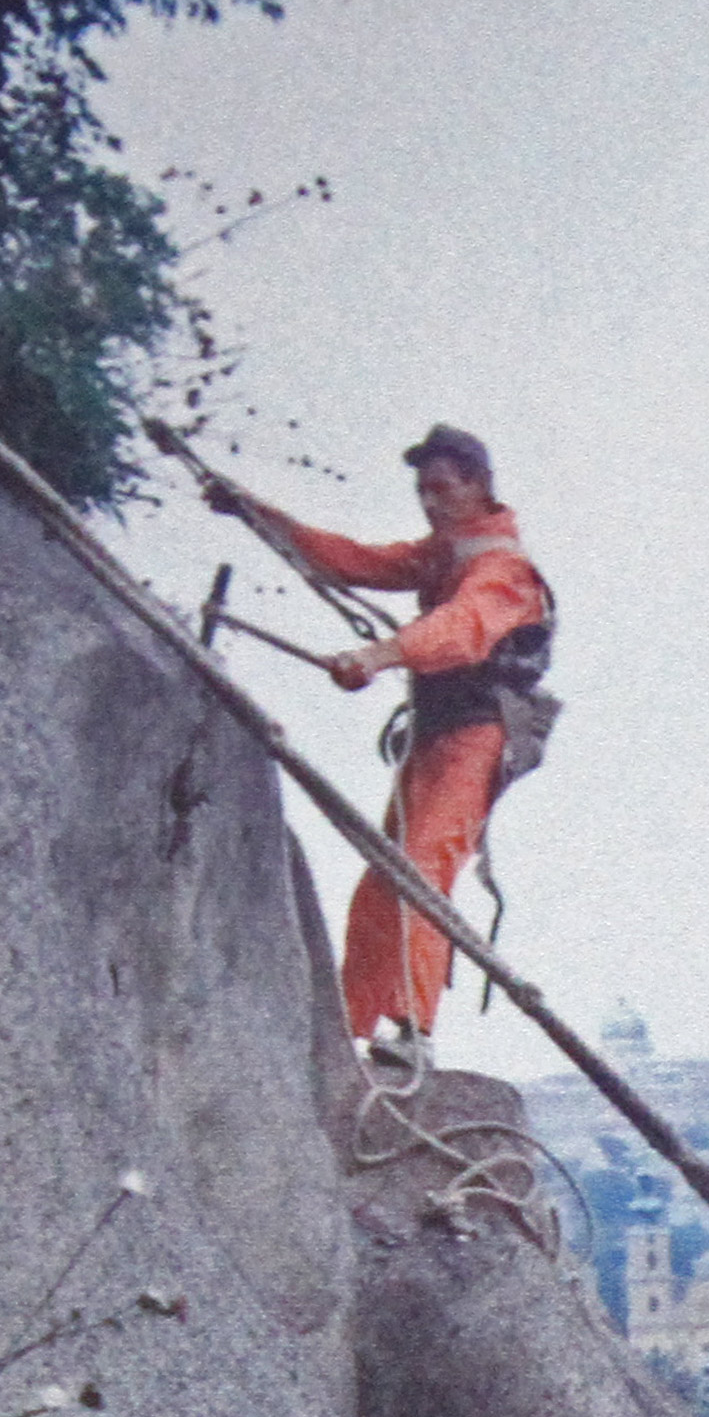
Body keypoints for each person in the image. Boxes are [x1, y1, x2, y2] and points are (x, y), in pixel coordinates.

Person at [204, 424, 552, 1057]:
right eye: (422, 491)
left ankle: (415, 1029)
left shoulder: (502, 570)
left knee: (422, 866)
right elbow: (355, 562)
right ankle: (352, 1024)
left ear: (477, 487)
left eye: (442, 489)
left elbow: (460, 630)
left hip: (478, 735)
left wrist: (379, 656)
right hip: (436, 734)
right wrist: (259, 514)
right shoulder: (445, 557)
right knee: (383, 876)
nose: (429, 503)